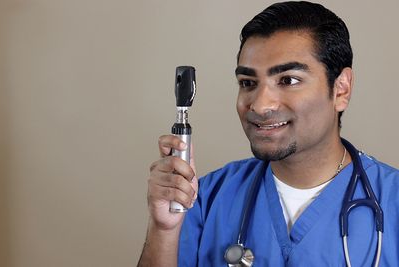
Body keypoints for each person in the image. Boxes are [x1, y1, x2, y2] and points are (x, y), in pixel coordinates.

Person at [138, 1, 399, 266]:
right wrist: (164, 230)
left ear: (341, 89)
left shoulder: (393, 200)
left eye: (288, 80)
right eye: (248, 83)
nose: (261, 106)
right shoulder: (204, 199)